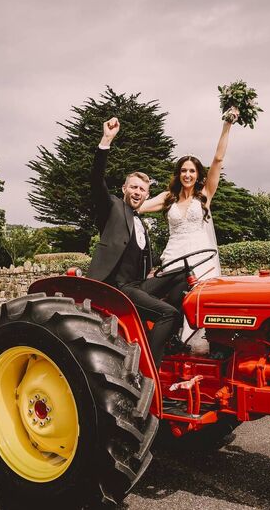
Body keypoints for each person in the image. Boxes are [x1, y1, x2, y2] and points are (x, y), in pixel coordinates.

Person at [88, 117, 188, 367]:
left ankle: (167, 338)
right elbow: (96, 180)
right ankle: (148, 368)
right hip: (117, 287)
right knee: (169, 314)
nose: (137, 192)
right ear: (124, 188)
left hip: (138, 284)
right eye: (133, 187)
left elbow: (141, 258)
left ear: (146, 194)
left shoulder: (140, 222)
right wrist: (106, 140)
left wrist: (156, 270)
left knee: (182, 274)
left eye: (142, 190)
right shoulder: (112, 208)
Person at [140, 106, 239, 282]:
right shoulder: (167, 197)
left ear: (198, 174)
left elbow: (218, 159)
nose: (187, 175)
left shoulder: (205, 195)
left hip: (199, 255)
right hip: (174, 255)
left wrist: (227, 125)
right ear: (178, 174)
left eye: (192, 171)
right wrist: (130, 191)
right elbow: (138, 207)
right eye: (183, 170)